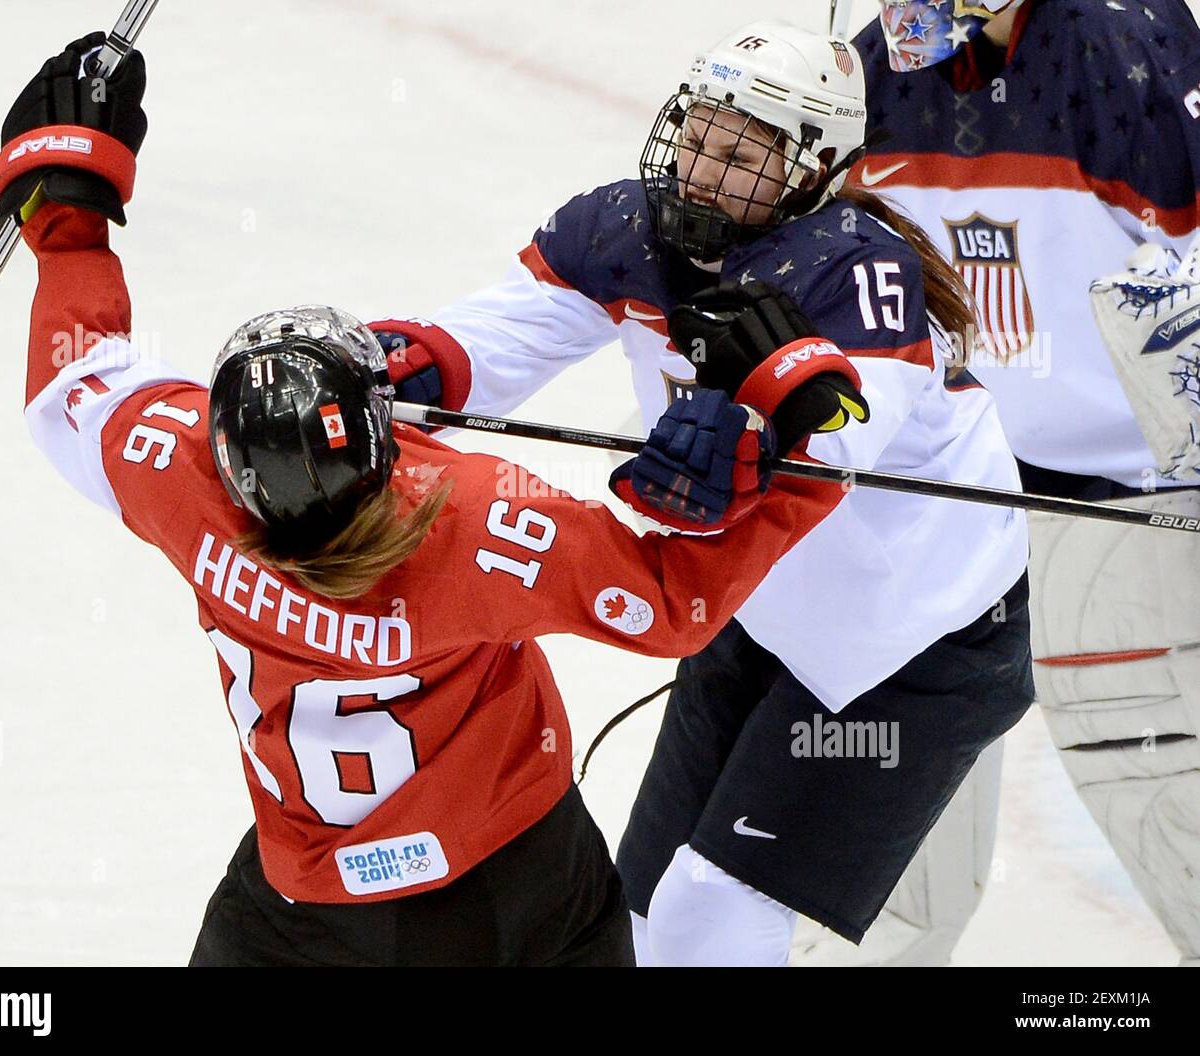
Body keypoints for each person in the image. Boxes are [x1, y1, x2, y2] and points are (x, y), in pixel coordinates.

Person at [0, 34, 864, 967]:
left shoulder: (183, 479)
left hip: (303, 909)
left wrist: (65, 209)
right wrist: (804, 457)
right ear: (381, 444)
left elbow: (73, 382)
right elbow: (672, 606)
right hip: (522, 890)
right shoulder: (471, 520)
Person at [374, 21, 1035, 966]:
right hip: (755, 612)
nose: (700, 169)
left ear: (812, 170)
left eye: (740, 155)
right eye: (698, 135)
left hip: (916, 652)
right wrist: (404, 369)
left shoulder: (857, 267)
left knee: (708, 910)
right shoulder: (628, 229)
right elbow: (503, 339)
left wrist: (766, 429)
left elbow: (852, 430)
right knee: (640, 917)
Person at [841, 0, 1200, 965]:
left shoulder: (1120, 41)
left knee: (1165, 794)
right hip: (959, 489)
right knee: (895, 842)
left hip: (1133, 501)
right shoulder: (885, 58)